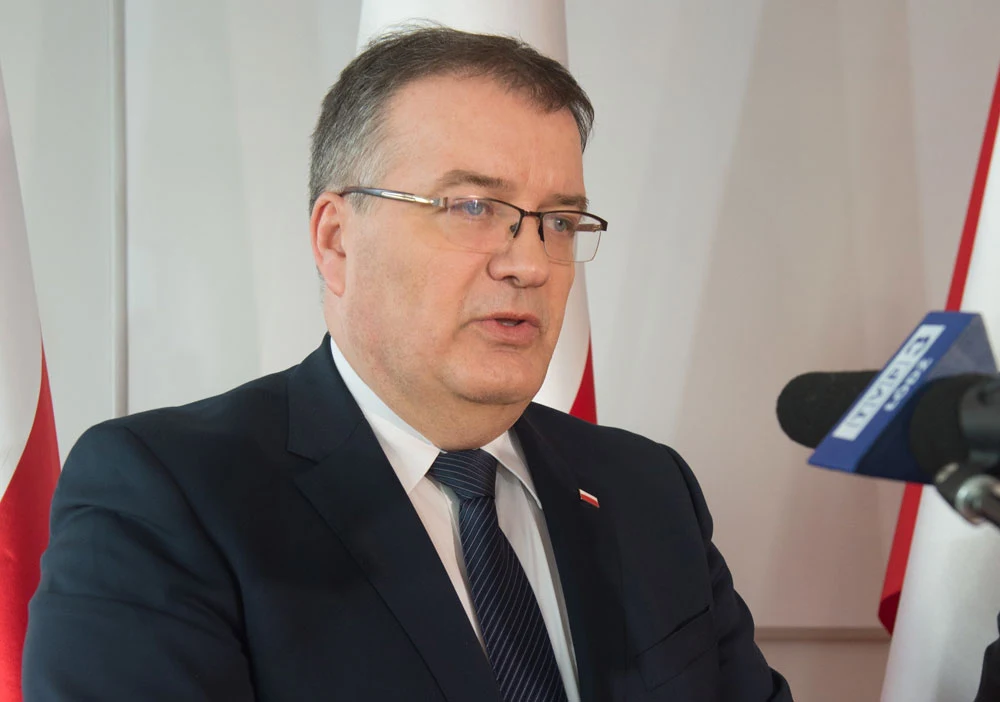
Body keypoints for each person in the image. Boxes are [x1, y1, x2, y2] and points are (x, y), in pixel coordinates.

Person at [22, 26, 792, 702]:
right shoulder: (166, 498)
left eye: (559, 221)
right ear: (336, 240)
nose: (529, 263)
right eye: (473, 207)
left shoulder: (649, 492)